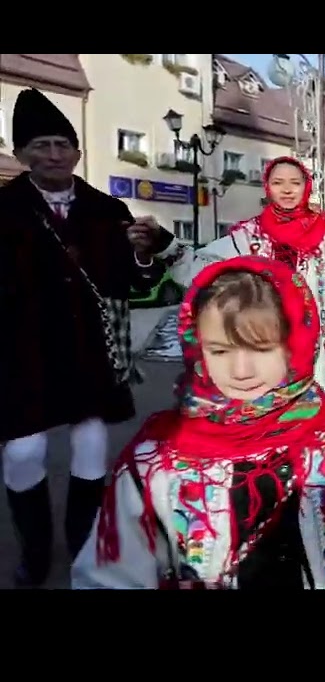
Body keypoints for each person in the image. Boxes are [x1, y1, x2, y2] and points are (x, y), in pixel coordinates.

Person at [71, 257, 325, 589]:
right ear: (196, 347)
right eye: (220, 351)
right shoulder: (157, 457)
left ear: (294, 345)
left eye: (261, 349)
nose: (241, 371)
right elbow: (113, 573)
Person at [0, 87, 164, 587]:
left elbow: (133, 281)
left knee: (92, 446)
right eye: (41, 145)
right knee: (22, 452)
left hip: (89, 351)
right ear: (21, 153)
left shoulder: (107, 208)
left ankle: (82, 546)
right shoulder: (3, 208)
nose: (53, 154)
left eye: (62, 145)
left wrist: (142, 253)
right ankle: (35, 551)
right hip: (23, 352)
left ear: (77, 152)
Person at [131, 156, 325, 420]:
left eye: (295, 182)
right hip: (263, 344)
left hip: (318, 354)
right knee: (269, 428)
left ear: (306, 187)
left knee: (324, 429)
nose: (287, 189)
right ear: (267, 187)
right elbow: (204, 269)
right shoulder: (249, 236)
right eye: (278, 182)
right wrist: (164, 244)